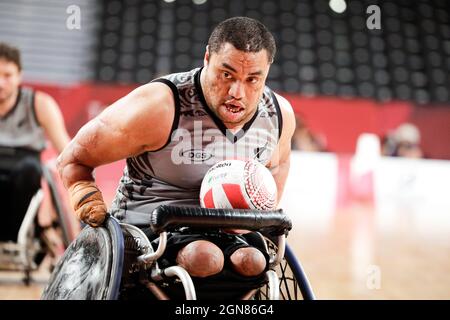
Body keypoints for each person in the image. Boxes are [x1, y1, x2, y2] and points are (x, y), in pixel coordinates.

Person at [57, 17, 295, 291]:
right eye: (226, 74)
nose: (236, 92)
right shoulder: (159, 106)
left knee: (253, 261)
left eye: (253, 79)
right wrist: (82, 189)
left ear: (267, 73)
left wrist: (260, 218)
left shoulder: (278, 115)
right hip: (149, 228)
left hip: (228, 231)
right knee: (204, 257)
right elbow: (72, 158)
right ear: (207, 58)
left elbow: (278, 164)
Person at [0, 42, 71, 243]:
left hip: (24, 164)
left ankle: (18, 236)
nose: (1, 83)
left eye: (7, 75)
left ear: (19, 76)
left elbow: (67, 151)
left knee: (31, 170)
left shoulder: (39, 103)